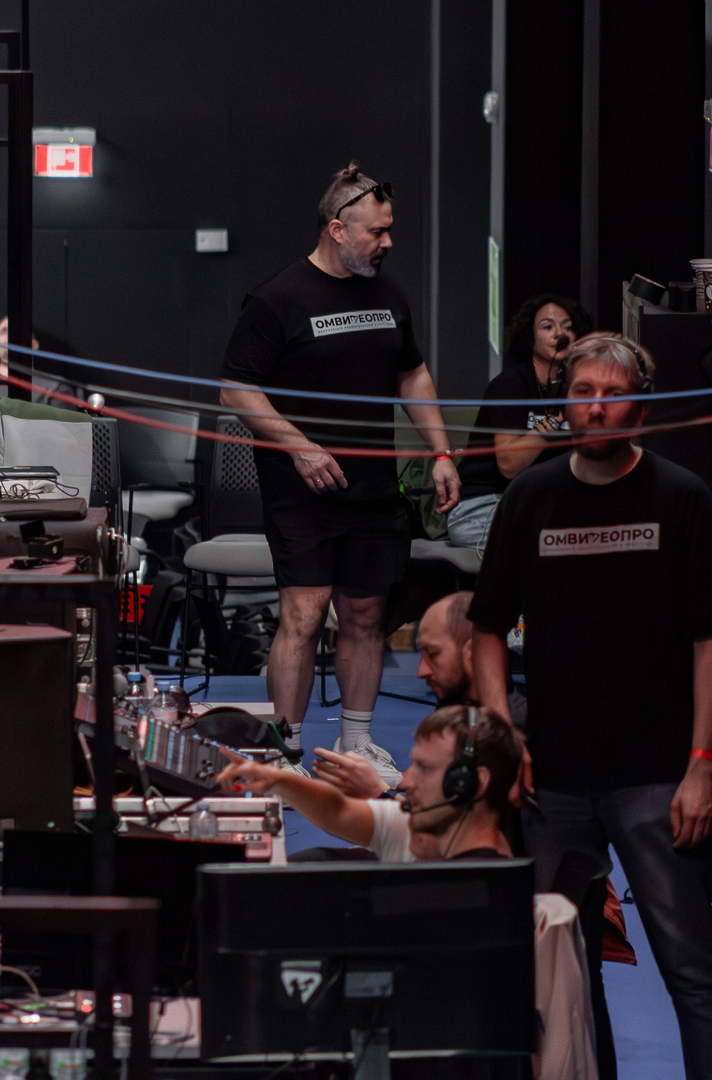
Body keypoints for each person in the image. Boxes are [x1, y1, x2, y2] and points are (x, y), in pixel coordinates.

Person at [467, 333, 712, 1080]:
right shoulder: (530, 498)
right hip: (552, 778)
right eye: (582, 393)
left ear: (641, 408)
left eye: (611, 394)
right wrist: (502, 735)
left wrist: (702, 767)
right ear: (562, 404)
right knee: (559, 971)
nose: (595, 408)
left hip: (658, 777)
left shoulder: (682, 499)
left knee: (694, 974)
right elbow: (486, 627)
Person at [220, 162, 461, 785]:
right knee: (303, 616)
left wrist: (440, 452)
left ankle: (357, 743)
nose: (388, 242)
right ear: (336, 228)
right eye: (377, 231)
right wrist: (300, 448)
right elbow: (237, 390)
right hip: (302, 490)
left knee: (365, 616)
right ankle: (285, 753)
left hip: (373, 488)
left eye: (389, 229)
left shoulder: (388, 295)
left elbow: (412, 373)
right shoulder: (276, 298)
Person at [215, 704, 520, 862]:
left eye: (425, 769)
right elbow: (337, 810)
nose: (406, 780)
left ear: (470, 783)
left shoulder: (485, 894)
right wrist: (276, 779)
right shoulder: (430, 826)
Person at [310, 590, 526, 798]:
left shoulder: (514, 739)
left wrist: (379, 793)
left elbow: (428, 819)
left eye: (433, 654)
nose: (421, 671)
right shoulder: (459, 715)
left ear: (472, 653)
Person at [447, 295, 593, 552]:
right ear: (530, 337)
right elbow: (509, 465)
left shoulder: (576, 389)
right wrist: (556, 419)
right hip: (483, 507)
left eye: (567, 326)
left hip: (536, 502)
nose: (559, 333)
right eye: (547, 326)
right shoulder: (510, 385)